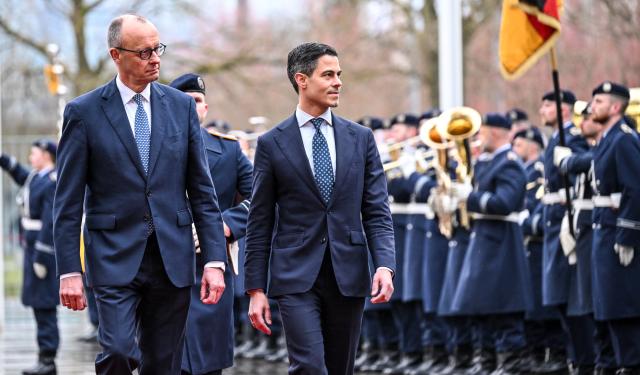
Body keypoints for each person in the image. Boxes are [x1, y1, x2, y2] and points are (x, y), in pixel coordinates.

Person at [53, 14, 227, 375]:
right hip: (113, 255)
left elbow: (202, 191)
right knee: (118, 352)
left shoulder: (180, 107)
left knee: (164, 364)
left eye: (157, 48)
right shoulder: (84, 112)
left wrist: (214, 260)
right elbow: (67, 201)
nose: (155, 58)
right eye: (144, 51)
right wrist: (69, 269)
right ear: (116, 55)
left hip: (172, 257)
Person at [244, 42, 395, 375]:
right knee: (309, 367)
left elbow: (377, 212)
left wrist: (385, 265)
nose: (338, 81)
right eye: (328, 75)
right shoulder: (272, 143)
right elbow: (259, 221)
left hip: (349, 275)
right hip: (295, 277)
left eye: (339, 74)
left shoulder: (361, 138)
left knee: (339, 369)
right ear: (302, 79)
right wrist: (255, 288)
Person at [169, 73, 253, 375]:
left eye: (199, 101)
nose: (195, 107)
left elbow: (262, 197)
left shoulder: (229, 151)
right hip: (165, 264)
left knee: (208, 359)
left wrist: (225, 225)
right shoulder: (151, 148)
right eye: (187, 101)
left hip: (211, 263)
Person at [450, 113, 533, 374]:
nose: (477, 137)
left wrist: (471, 197)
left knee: (504, 308)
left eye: (482, 132)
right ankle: (486, 361)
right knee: (480, 307)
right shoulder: (488, 162)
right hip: (484, 240)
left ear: (496, 132)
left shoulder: (509, 163)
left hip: (501, 242)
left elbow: (505, 203)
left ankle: (511, 363)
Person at [539, 90, 594, 371]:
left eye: (547, 105)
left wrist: (570, 159)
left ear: (563, 109)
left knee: (573, 302)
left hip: (567, 226)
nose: (542, 111)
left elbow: (588, 170)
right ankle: (577, 358)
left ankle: (583, 360)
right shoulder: (555, 139)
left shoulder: (571, 137)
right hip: (553, 226)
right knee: (559, 300)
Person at [588, 82, 640, 373]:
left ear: (616, 107)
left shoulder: (623, 140)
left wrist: (627, 235)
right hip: (603, 230)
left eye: (598, 101)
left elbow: (635, 189)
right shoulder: (606, 139)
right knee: (608, 308)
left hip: (616, 234)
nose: (593, 107)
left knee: (624, 309)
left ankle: (630, 366)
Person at [512, 127, 568, 373]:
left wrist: (525, 222)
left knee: (542, 308)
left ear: (533, 145)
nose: (515, 147)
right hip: (525, 247)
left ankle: (554, 355)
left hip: (536, 244)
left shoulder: (537, 172)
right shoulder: (523, 170)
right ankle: (535, 356)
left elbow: (539, 208)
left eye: (520, 143)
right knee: (530, 308)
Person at [1, 140, 58, 375]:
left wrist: (42, 256)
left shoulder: (52, 180)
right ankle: (43, 357)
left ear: (46, 155)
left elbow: (50, 221)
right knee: (38, 305)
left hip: (41, 250)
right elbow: (20, 174)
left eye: (34, 153)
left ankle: (48, 359)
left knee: (45, 306)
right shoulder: (38, 177)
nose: (30, 156)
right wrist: (3, 159)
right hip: (32, 247)